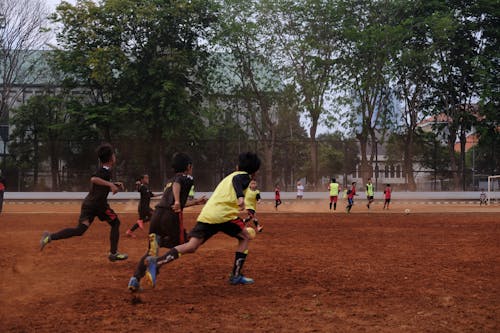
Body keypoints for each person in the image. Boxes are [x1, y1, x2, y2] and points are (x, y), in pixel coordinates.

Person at [143, 152, 261, 288]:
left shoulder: (231, 176)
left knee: (191, 246)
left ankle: (156, 262)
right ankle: (235, 275)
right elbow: (238, 182)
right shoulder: (243, 176)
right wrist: (240, 198)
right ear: (255, 172)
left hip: (208, 214)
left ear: (237, 166)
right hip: (223, 216)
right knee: (245, 236)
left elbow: (235, 182)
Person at [128, 153, 207, 292]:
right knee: (184, 243)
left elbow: (176, 199)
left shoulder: (169, 181)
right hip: (170, 218)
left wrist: (196, 202)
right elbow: (177, 190)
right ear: (188, 167)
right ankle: (156, 261)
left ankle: (134, 279)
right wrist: (177, 201)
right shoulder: (186, 177)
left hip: (157, 215)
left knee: (151, 250)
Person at [39, 143, 128, 262]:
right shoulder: (104, 170)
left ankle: (49, 237)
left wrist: (114, 184)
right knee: (116, 223)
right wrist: (111, 184)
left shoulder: (105, 170)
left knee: (80, 230)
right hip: (99, 206)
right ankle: (113, 253)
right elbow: (94, 179)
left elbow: (100, 182)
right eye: (114, 154)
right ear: (111, 158)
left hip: (89, 205)